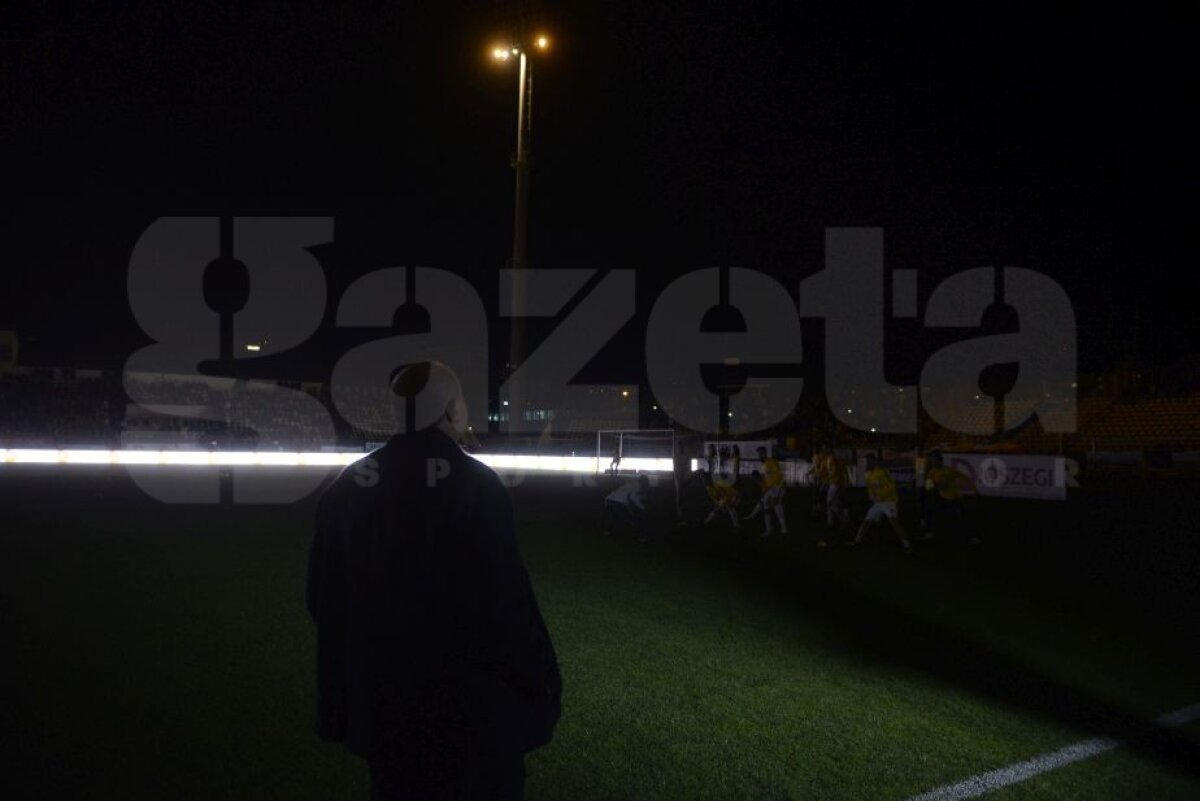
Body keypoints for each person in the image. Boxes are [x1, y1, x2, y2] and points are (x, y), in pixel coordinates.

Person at [307, 361, 561, 800]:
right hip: (470, 721)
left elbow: (321, 600)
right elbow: (505, 610)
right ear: (450, 413)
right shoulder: (477, 487)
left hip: (386, 716)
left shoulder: (348, 488)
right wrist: (542, 685)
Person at [849, 454, 913, 553]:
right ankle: (857, 540)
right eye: (866, 461)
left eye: (869, 461)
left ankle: (907, 545)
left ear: (874, 462)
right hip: (878, 503)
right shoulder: (867, 474)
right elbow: (870, 487)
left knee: (895, 523)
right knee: (867, 521)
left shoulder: (882, 472)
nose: (867, 463)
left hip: (889, 501)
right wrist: (872, 496)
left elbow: (892, 486)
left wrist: (881, 496)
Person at [923, 451, 981, 545]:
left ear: (940, 461)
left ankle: (973, 537)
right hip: (943, 498)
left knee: (963, 517)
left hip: (954, 498)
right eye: (932, 461)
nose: (933, 462)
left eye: (935, 460)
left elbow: (941, 486)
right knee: (932, 510)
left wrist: (973, 490)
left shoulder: (947, 471)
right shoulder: (931, 472)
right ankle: (931, 532)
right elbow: (929, 488)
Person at [747, 446, 788, 537]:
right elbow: (768, 479)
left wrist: (779, 492)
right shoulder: (764, 464)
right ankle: (769, 529)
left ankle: (783, 529)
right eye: (759, 454)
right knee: (767, 507)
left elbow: (779, 477)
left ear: (765, 453)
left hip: (777, 488)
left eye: (761, 453)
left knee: (777, 508)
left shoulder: (771, 462)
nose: (759, 455)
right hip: (771, 489)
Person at [603, 474, 651, 540]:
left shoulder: (630, 484)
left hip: (609, 499)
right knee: (630, 519)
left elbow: (621, 493)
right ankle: (640, 536)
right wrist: (642, 508)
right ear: (643, 482)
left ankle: (607, 532)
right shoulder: (638, 486)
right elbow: (632, 497)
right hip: (618, 502)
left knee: (613, 516)